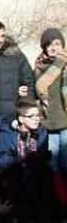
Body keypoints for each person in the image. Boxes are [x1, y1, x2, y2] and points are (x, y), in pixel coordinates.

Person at [0, 99, 58, 223]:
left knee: (46, 171)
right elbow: (3, 158)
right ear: (21, 119)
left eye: (38, 115)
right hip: (13, 169)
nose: (36, 119)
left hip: (33, 168)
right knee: (14, 171)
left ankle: (43, 214)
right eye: (31, 116)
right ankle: (14, 213)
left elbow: (43, 154)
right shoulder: (7, 132)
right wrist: (22, 162)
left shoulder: (42, 132)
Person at [34, 28, 67, 177]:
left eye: (57, 43)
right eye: (49, 45)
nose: (53, 48)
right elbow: (39, 87)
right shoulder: (39, 66)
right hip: (48, 121)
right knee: (52, 163)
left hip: (65, 119)